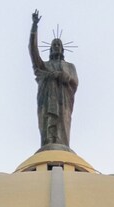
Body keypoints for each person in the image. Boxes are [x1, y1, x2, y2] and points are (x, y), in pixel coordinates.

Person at [29, 10, 78, 150]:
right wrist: (34, 27)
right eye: (54, 45)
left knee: (63, 124)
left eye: (58, 45)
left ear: (62, 49)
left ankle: (61, 144)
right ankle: (49, 142)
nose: (56, 47)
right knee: (47, 123)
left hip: (63, 101)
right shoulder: (44, 66)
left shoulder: (69, 66)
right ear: (50, 49)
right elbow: (33, 52)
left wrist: (63, 76)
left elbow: (74, 82)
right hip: (47, 100)